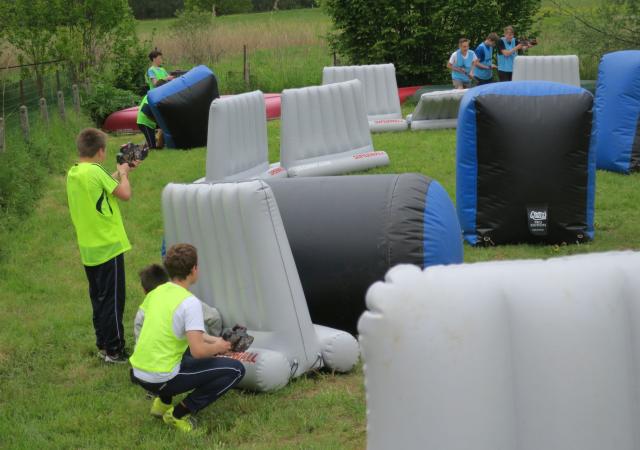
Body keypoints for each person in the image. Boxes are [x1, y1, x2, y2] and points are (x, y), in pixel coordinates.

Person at [129, 244, 245, 433]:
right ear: (194, 270)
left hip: (138, 371)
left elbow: (182, 332)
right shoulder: (189, 302)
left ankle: (162, 403)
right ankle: (177, 414)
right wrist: (222, 347)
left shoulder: (157, 292)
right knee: (235, 370)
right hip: (159, 376)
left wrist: (214, 342)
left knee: (180, 348)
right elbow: (199, 351)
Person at [66, 128, 139, 363]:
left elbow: (101, 189)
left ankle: (103, 345)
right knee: (113, 301)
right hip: (109, 246)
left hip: (90, 249)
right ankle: (116, 351)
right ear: (101, 151)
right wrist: (124, 175)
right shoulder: (97, 171)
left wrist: (118, 173)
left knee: (99, 299)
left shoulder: (74, 173)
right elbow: (125, 194)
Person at [136, 79, 167, 149]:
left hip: (149, 122)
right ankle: (139, 148)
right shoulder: (153, 95)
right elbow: (145, 110)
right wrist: (158, 122)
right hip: (145, 122)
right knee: (152, 147)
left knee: (162, 129)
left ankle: (158, 145)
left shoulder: (155, 94)